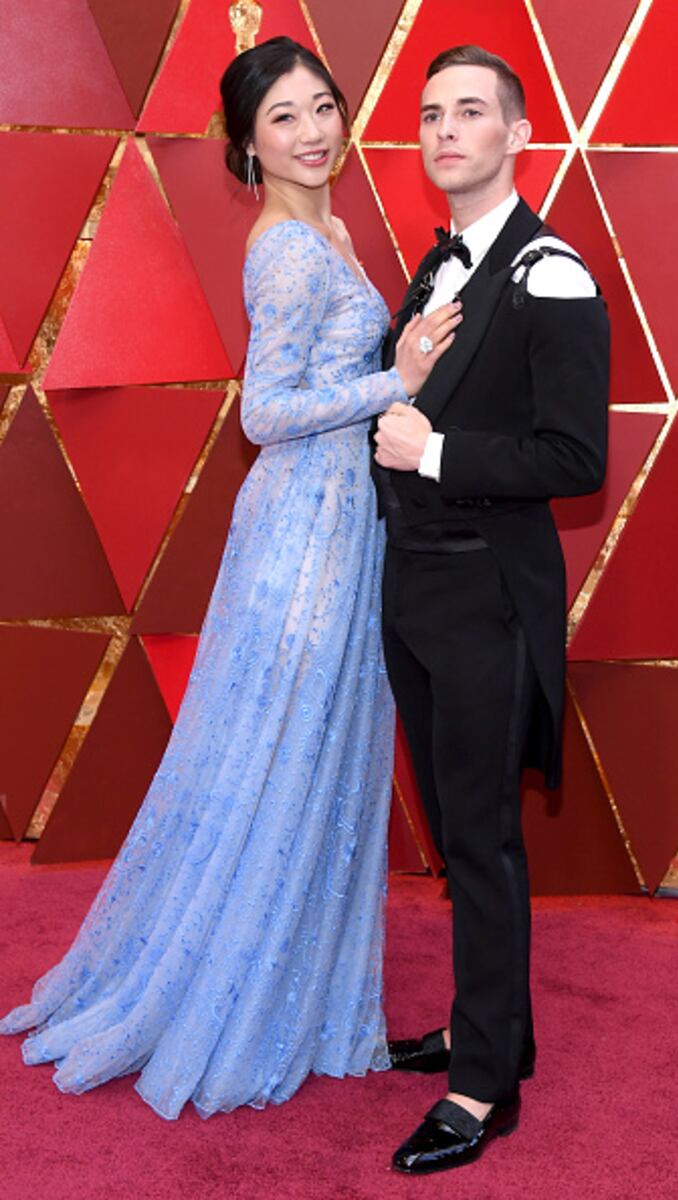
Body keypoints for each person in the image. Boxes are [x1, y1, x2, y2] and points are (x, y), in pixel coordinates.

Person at [0, 37, 460, 1120]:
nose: (312, 132)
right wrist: (391, 380)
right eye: (282, 119)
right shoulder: (286, 250)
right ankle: (231, 1000)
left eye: (321, 107)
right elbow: (264, 412)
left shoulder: (329, 228)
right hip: (303, 533)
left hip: (340, 521)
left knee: (307, 757)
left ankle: (290, 993)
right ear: (248, 147)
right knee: (275, 757)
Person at [372, 45, 610, 1173]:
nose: (445, 130)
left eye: (470, 112)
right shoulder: (436, 268)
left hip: (489, 599)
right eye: (430, 114)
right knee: (456, 832)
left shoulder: (550, 272)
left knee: (480, 840)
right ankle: (493, 1035)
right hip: (415, 591)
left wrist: (434, 452)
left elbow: (575, 457)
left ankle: (481, 1089)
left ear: (517, 135)